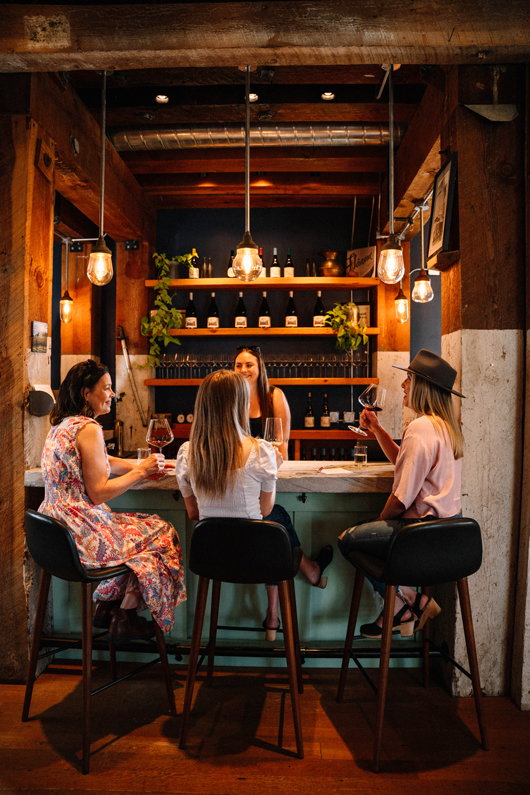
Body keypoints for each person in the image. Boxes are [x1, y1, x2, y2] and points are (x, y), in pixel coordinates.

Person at [175, 370, 332, 640]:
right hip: (259, 558)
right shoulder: (261, 452)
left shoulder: (187, 453)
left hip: (212, 560)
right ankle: (304, 577)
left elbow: (193, 513)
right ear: (240, 405)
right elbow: (265, 510)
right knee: (277, 517)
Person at [39, 359, 186, 645]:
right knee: (162, 532)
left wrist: (136, 467)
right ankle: (125, 613)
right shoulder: (89, 428)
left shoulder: (60, 426)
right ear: (86, 393)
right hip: (82, 535)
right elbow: (98, 493)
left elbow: (102, 462)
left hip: (55, 534)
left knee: (144, 538)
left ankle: (110, 606)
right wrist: (141, 472)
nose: (111, 394)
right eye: (106, 388)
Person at [338, 349, 465, 638]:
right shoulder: (446, 427)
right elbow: (406, 464)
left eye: (408, 379)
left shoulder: (419, 428)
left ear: (422, 386)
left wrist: (382, 520)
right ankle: (409, 602)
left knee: (348, 541)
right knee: (368, 532)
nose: (402, 385)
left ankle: (405, 602)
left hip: (416, 534)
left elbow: (400, 499)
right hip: (448, 534)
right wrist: (378, 431)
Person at [233, 346, 290, 459]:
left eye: (249, 365)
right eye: (238, 365)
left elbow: (281, 442)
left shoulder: (275, 395)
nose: (243, 370)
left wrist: (281, 472)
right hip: (238, 466)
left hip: (269, 465)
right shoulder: (230, 397)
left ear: (260, 368)